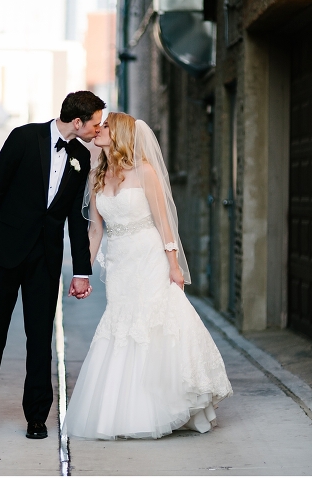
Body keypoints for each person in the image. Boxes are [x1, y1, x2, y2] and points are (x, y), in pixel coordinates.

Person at [63, 113, 233, 440]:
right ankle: (127, 410)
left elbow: (164, 223)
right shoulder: (98, 175)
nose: (99, 130)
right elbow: (95, 230)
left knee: (153, 324)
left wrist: (174, 265)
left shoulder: (145, 172)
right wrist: (81, 272)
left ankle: (167, 405)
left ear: (122, 134)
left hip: (149, 256)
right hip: (121, 264)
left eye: (107, 126)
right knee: (122, 325)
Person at [0, 91, 106, 439]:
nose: (98, 128)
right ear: (78, 121)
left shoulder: (81, 157)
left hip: (44, 260)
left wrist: (80, 270)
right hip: (3, 254)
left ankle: (37, 416)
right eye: (95, 123)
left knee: (41, 338)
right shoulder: (23, 137)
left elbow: (78, 218)